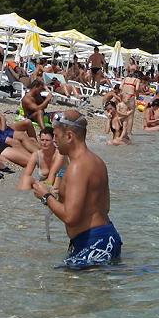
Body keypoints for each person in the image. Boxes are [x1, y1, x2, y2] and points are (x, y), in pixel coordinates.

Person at [32, 110, 122, 268]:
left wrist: (45, 196)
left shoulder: (77, 167)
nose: (54, 141)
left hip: (93, 243)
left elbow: (70, 217)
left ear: (69, 136)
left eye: (56, 136)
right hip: (106, 238)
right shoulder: (96, 161)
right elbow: (105, 207)